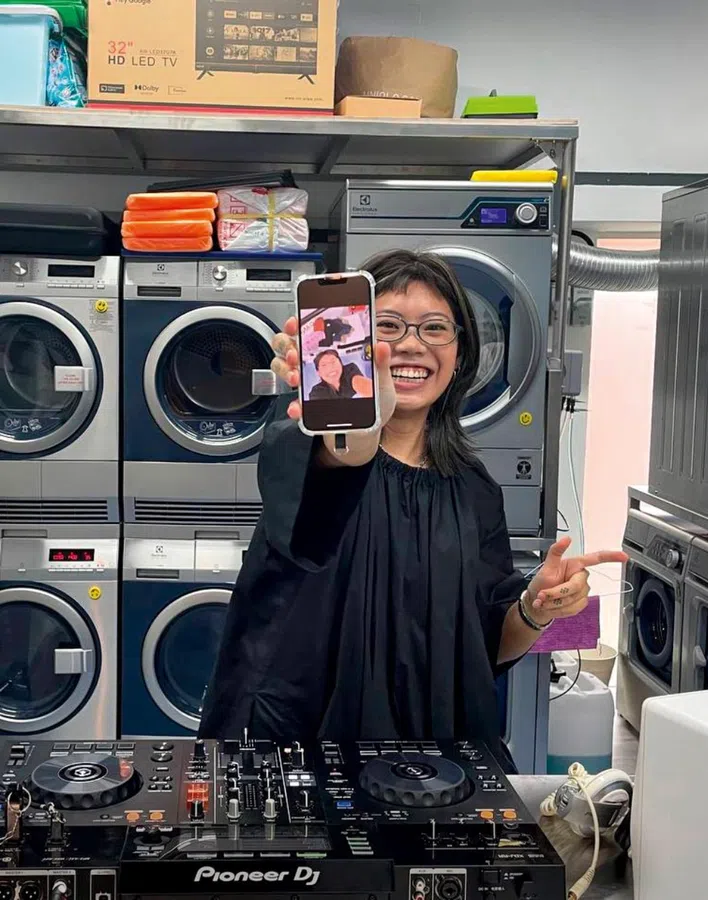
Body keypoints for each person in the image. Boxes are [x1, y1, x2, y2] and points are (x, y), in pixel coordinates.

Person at [199, 250, 626, 769]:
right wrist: (362, 418)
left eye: (434, 328)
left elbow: (486, 646)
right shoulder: (300, 443)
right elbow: (341, 463)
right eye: (387, 326)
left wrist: (536, 609)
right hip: (296, 749)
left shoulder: (474, 490)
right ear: (356, 340)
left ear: (460, 353)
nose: (409, 344)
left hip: (429, 760)